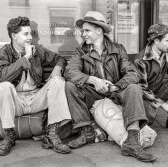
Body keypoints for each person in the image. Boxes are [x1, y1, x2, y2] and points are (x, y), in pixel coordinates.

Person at [64, 11, 156, 162]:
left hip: (115, 92)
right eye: (83, 31)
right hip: (93, 93)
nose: (83, 34)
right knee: (70, 85)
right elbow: (70, 71)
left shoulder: (118, 49)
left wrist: (116, 87)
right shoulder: (81, 50)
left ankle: (132, 141)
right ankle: (86, 132)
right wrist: (93, 80)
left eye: (87, 30)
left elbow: (133, 73)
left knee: (134, 87)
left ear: (99, 30)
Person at [0, 16, 71, 156]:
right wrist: (26, 58)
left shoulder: (38, 50)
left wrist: (57, 69)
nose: (30, 37)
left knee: (58, 81)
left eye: (31, 33)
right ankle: (10, 136)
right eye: (26, 34)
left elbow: (60, 59)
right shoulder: (3, 53)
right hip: (16, 102)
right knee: (4, 86)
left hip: (36, 98)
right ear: (14, 35)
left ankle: (52, 135)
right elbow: (3, 76)